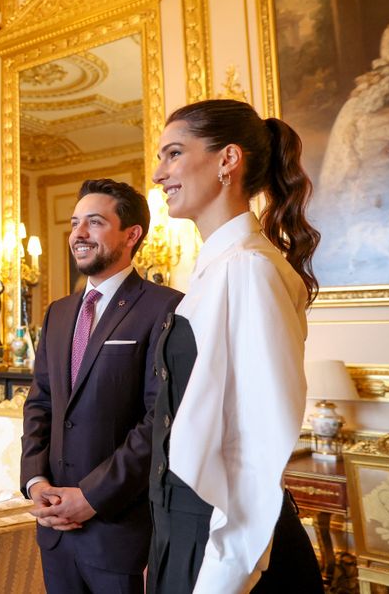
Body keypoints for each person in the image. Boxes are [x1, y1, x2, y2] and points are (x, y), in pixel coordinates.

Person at [148, 99, 323, 593]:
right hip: (188, 534)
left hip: (232, 556)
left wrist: (221, 578)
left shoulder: (249, 269)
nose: (159, 173)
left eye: (174, 154)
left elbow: (255, 447)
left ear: (228, 160)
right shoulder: (216, 271)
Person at [21, 178, 182, 594]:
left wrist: (91, 497)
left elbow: (159, 419)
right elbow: (40, 404)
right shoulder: (57, 313)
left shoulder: (167, 306)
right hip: (55, 532)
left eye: (94, 223)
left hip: (120, 532)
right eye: (75, 223)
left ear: (131, 234)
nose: (78, 234)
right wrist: (35, 483)